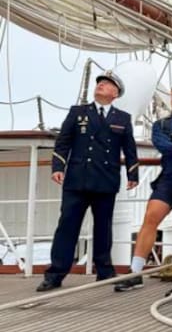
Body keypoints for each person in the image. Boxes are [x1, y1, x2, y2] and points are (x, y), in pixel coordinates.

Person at [38, 70, 138, 291]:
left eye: (107, 83)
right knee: (67, 227)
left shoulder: (122, 118)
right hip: (77, 180)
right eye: (100, 82)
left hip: (106, 179)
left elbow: (129, 148)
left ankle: (105, 272)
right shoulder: (78, 112)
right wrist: (58, 167)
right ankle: (55, 274)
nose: (101, 84)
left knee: (103, 228)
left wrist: (133, 174)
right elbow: (63, 142)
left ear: (116, 93)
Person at [115, 82, 172, 291]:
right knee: (151, 218)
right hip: (170, 179)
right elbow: (161, 143)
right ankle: (136, 271)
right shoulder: (161, 125)